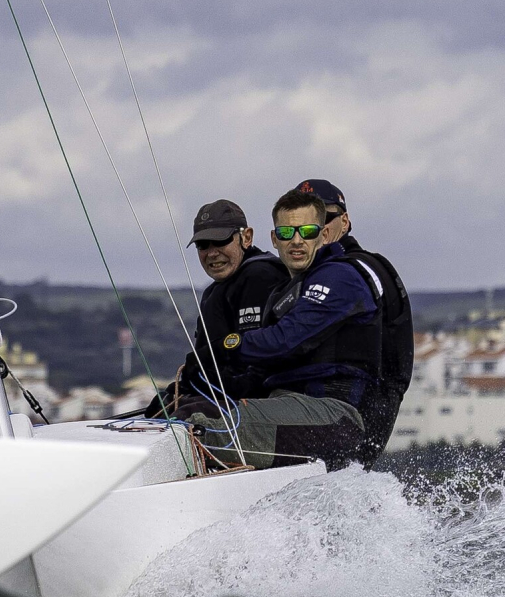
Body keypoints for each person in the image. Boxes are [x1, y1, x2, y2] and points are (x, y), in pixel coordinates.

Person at [179, 189, 381, 470]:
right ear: (274, 239)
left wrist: (223, 348)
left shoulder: (340, 276)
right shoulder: (287, 288)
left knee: (196, 427)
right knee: (184, 414)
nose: (296, 240)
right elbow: (262, 369)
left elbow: (285, 339)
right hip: (290, 405)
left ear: (324, 235)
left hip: (334, 413)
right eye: (286, 233)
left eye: (307, 232)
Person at [295, 179, 414, 466]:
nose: (314, 229)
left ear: (345, 221)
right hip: (349, 408)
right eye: (300, 223)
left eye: (323, 218)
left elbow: (290, 338)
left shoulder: (346, 272)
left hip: (355, 407)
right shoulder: (342, 268)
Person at [144, 199, 288, 418]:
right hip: (224, 397)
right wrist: (182, 389)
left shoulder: (260, 276)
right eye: (203, 245)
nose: (212, 253)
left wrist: (196, 386)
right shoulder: (215, 290)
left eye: (221, 241)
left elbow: (256, 372)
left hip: (258, 408)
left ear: (247, 237)